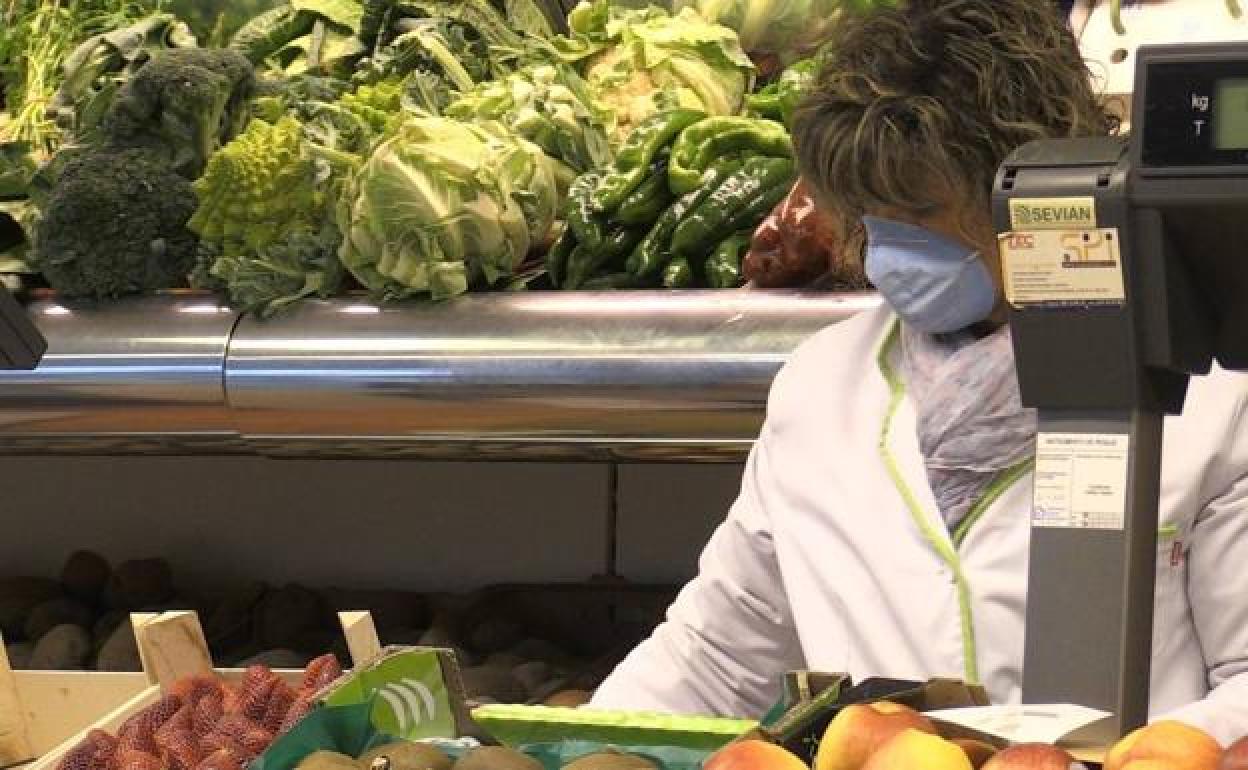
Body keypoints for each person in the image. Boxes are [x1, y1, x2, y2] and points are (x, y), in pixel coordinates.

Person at [589, 0, 1248, 746]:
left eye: (919, 209)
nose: (883, 249)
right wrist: (575, 747)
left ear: (1032, 188)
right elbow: (714, 656)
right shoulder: (820, 389)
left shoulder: (1211, 392)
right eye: (867, 214)